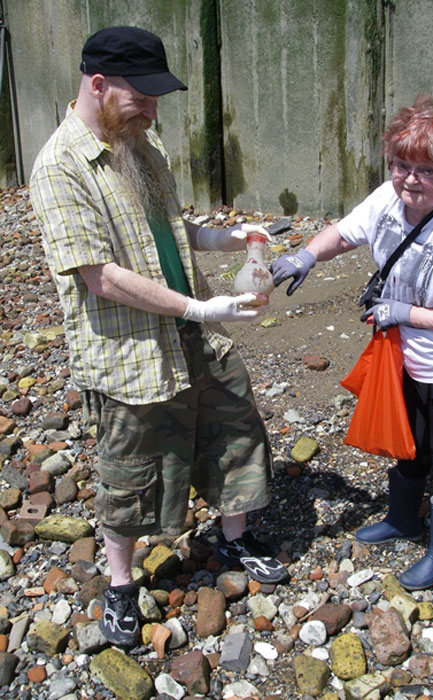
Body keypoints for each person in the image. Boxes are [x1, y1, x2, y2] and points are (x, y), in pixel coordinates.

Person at [30, 25, 288, 648]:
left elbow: (172, 228)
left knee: (234, 431)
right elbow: (102, 278)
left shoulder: (143, 144)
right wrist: (200, 307)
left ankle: (233, 539)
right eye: (141, 97)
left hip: (196, 333)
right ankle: (120, 586)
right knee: (129, 473)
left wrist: (229, 239)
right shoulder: (59, 168)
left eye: (156, 99)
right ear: (98, 83)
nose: (152, 111)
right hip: (131, 355)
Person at [271, 94, 433, 591]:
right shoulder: (389, 198)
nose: (408, 179)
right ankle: (404, 518)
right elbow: (344, 232)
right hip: (406, 351)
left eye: (425, 170)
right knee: (409, 437)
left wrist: (404, 312)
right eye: (401, 164)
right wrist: (306, 256)